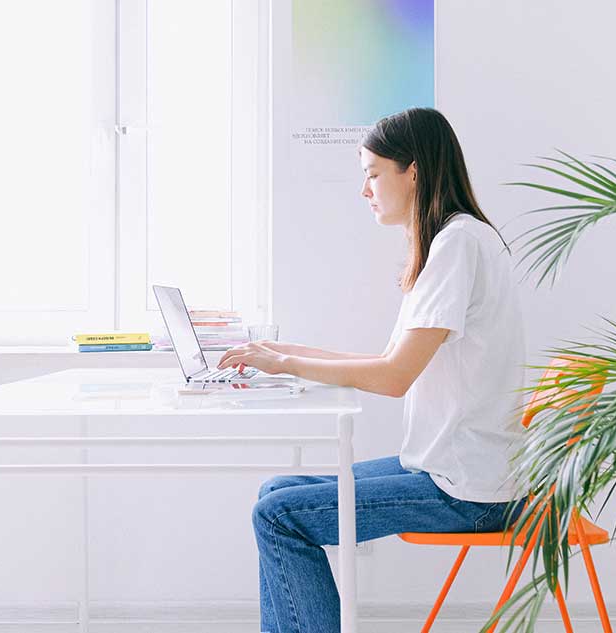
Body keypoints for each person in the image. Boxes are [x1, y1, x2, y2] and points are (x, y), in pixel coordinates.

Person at [216, 107, 528, 633]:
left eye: (372, 172)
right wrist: (282, 352)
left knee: (278, 517)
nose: (365, 189)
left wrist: (288, 363)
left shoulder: (456, 245)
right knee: (275, 493)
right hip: (453, 467)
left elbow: (392, 378)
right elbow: (389, 361)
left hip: (467, 489)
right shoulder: (455, 240)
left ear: (414, 172)